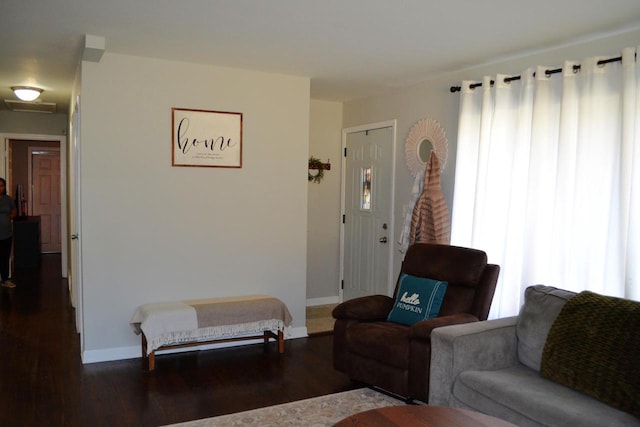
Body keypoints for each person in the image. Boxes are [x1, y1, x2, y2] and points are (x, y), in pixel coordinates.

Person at [0, 178, 17, 288]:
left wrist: (8, 217)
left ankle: (5, 280)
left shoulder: (8, 199)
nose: (0, 187)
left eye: (2, 185)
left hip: (6, 234)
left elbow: (14, 211)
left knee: (5, 257)